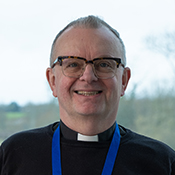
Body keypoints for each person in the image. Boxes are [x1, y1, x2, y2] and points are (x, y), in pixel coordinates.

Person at [0, 15, 175, 175]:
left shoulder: (163, 162)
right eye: (73, 64)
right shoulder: (13, 155)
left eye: (104, 64)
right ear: (52, 80)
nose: (88, 77)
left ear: (124, 80)